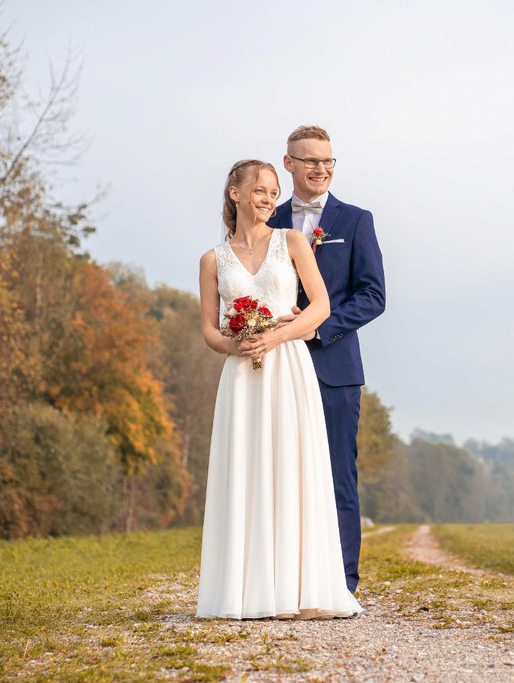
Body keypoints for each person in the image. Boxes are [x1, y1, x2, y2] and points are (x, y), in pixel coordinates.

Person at [195, 159, 361, 619]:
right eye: (260, 191)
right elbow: (209, 330)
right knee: (246, 470)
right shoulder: (213, 259)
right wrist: (236, 342)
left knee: (290, 468)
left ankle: (296, 590)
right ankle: (249, 592)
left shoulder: (291, 242)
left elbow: (321, 306)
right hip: (241, 376)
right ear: (235, 194)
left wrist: (276, 335)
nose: (270, 199)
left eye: (272, 192)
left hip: (287, 367)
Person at [268, 126, 386, 594]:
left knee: (338, 475)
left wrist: (319, 325)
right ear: (289, 163)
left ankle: (341, 583)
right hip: (274, 368)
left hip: (334, 368)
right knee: (280, 472)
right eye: (311, 161)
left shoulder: (356, 220)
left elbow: (373, 296)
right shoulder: (267, 221)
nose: (321, 169)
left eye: (328, 162)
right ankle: (285, 580)